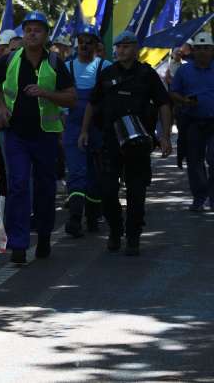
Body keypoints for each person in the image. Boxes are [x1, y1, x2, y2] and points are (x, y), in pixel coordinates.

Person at [0, 11, 75, 264]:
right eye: (28, 30)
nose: (32, 33)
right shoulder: (10, 59)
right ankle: (18, 243)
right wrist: (1, 107)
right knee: (18, 186)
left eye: (38, 30)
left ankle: (45, 235)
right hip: (16, 135)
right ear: (23, 34)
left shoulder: (56, 63)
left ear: (46, 35)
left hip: (46, 136)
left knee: (45, 188)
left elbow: (71, 97)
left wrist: (47, 93)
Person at [81, 31, 172, 254]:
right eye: (119, 46)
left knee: (137, 191)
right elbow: (92, 104)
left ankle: (133, 236)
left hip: (139, 142)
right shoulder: (107, 73)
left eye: (126, 46)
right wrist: (84, 131)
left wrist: (165, 136)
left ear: (136, 49)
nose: (121, 50)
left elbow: (163, 104)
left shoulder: (147, 74)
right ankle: (115, 230)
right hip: (111, 141)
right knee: (108, 190)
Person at [62, 26, 109, 237]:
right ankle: (74, 218)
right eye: (81, 40)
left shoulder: (105, 67)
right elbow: (61, 100)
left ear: (96, 45)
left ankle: (93, 216)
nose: (84, 45)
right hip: (72, 127)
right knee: (76, 171)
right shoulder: (66, 67)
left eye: (89, 41)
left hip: (98, 127)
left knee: (96, 173)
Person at [169, 32, 214, 212]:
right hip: (193, 122)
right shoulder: (184, 70)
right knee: (195, 161)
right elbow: (172, 92)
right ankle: (199, 197)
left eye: (207, 48)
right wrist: (184, 101)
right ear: (193, 51)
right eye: (199, 48)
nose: (203, 52)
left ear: (212, 50)